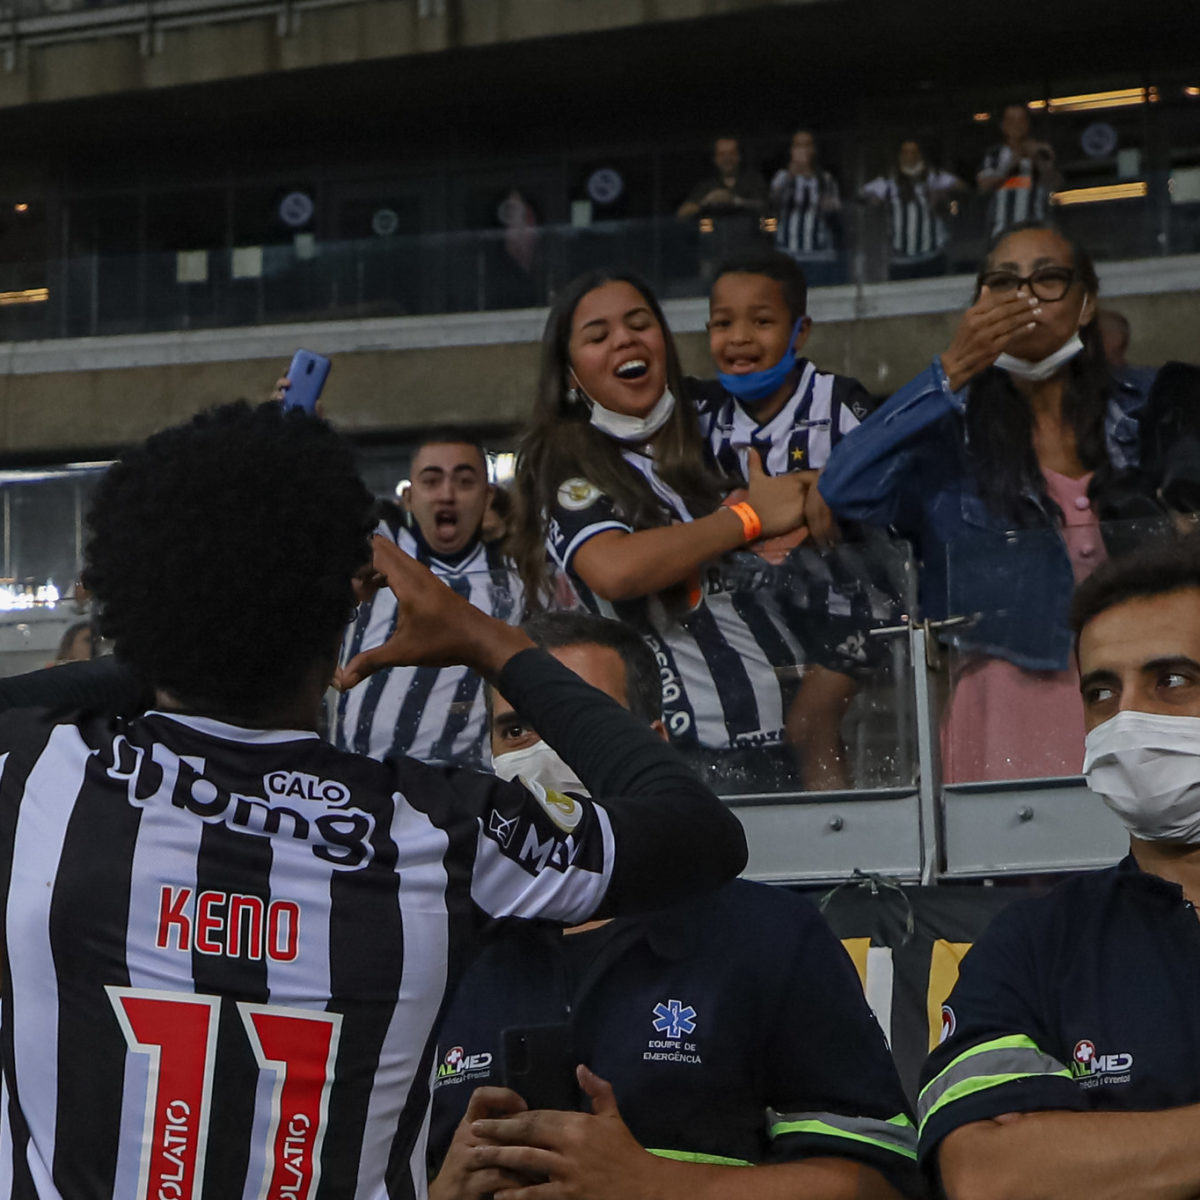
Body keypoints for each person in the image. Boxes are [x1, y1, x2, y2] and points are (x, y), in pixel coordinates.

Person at [0, 400, 746, 1195]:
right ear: (350, 610)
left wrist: (173, 644)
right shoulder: (439, 826)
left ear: (136, 602)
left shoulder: (40, 775)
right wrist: (488, 639)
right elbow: (695, 828)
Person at [430, 609, 921, 1200]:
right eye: (515, 731)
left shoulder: (770, 938)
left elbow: (877, 1184)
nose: (541, 753)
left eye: (579, 722)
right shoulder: (437, 946)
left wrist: (653, 1186)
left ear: (650, 749)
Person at [819, 222, 1169, 783]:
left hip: (1148, 693)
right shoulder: (948, 434)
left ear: (1085, 304)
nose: (1026, 296)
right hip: (1005, 707)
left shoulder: (1152, 408)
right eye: (1004, 282)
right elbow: (843, 487)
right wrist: (951, 369)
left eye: (1048, 279)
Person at [918, 535, 1200, 1200]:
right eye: (1101, 692)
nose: (1126, 718)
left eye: (1172, 681)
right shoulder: (1034, 946)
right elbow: (991, 1173)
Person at [509, 268, 813, 791]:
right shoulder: (562, 457)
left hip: (789, 736)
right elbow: (614, 568)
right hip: (682, 752)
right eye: (598, 336)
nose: (625, 339)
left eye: (639, 324)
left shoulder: (715, 428)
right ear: (571, 373)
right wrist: (747, 519)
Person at [698, 250, 901, 789]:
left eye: (761, 322)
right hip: (764, 611)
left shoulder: (839, 402)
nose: (739, 337)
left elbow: (893, 485)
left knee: (810, 724)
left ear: (799, 330)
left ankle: (835, 849)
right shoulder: (706, 420)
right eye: (723, 323)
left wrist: (831, 488)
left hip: (856, 606)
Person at [335, 431, 524, 767]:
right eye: (431, 481)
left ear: (487, 496)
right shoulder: (375, 553)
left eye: (464, 482)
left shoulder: (519, 578)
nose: (447, 495)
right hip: (363, 775)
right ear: (408, 497)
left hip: (469, 785)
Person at [860, 141, 965, 280]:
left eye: (913, 152)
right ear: (899, 156)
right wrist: (872, 198)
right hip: (901, 258)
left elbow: (962, 187)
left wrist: (943, 193)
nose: (909, 156)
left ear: (920, 155)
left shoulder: (934, 176)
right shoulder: (888, 180)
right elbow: (861, 194)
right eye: (905, 152)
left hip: (932, 255)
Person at [976, 105, 1062, 239]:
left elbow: (1056, 183)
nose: (1016, 126)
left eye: (1021, 120)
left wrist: (1038, 161)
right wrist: (1010, 167)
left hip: (1036, 230)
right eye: (1011, 121)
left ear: (1028, 124)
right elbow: (983, 186)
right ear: (1003, 125)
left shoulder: (1041, 151)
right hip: (1001, 231)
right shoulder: (994, 155)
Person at [769, 130, 843, 285]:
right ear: (791, 150)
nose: (802, 150)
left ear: (814, 150)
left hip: (818, 254)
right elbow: (772, 204)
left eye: (807, 145)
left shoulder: (825, 179)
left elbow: (836, 209)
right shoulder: (781, 177)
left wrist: (828, 204)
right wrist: (791, 175)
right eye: (798, 145)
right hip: (788, 252)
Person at [676, 136, 767, 220]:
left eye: (732, 153)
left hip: (747, 234)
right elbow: (681, 214)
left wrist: (735, 201)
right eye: (721, 154)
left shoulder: (753, 181)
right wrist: (706, 201)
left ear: (739, 156)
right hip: (715, 235)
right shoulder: (707, 185)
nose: (727, 158)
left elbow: (766, 206)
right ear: (715, 159)